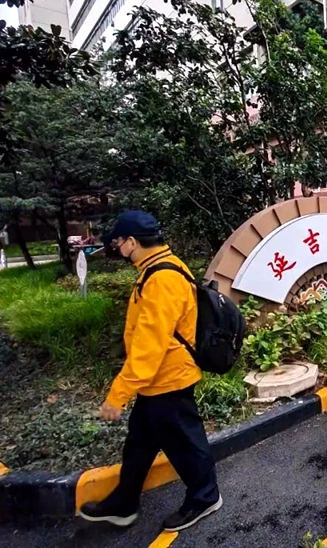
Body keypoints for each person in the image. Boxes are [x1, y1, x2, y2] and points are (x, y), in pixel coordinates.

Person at [79, 211, 222, 532]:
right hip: (157, 381)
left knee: (186, 444)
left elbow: (149, 347)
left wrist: (118, 395)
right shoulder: (160, 267)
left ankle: (205, 497)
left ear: (132, 241)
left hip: (168, 379)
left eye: (119, 242)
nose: (118, 249)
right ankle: (124, 503)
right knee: (140, 444)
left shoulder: (161, 279)